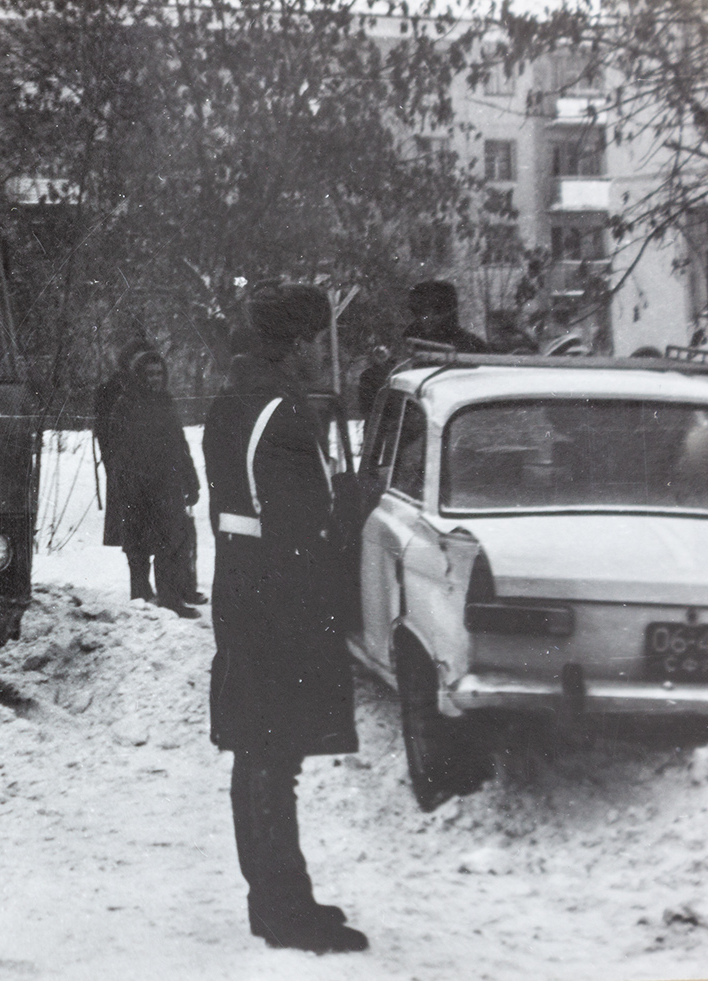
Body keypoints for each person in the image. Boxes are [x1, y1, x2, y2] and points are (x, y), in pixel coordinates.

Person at [202, 282, 366, 953]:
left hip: (245, 584)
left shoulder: (237, 398)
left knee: (261, 748)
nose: (323, 354)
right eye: (318, 341)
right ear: (299, 342)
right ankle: (279, 904)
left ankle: (277, 895)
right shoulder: (282, 411)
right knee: (272, 750)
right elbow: (300, 520)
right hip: (281, 594)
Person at [93, 341, 203, 618]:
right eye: (149, 374)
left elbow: (180, 444)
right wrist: (129, 485)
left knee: (170, 541)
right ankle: (140, 596)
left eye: (159, 373)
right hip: (136, 487)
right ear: (138, 376)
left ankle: (170, 598)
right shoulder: (125, 405)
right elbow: (118, 450)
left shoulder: (166, 402)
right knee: (137, 545)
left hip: (167, 485)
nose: (155, 379)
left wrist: (191, 481)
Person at [356, 280, 489, 417]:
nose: (427, 318)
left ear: (450, 310)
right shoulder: (403, 346)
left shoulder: (473, 347)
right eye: (419, 311)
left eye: (438, 309)